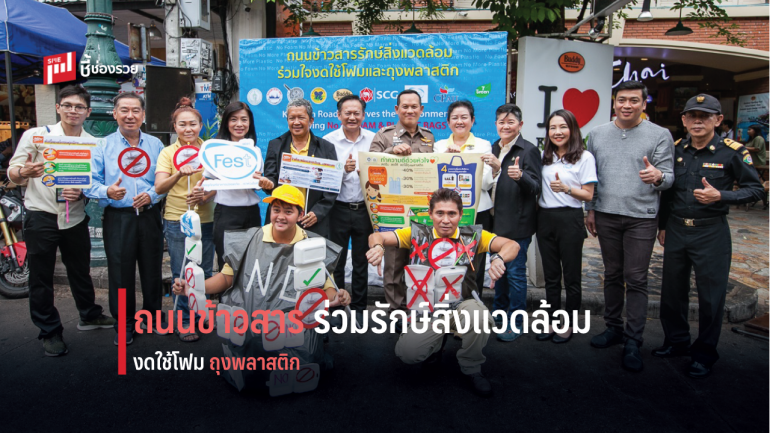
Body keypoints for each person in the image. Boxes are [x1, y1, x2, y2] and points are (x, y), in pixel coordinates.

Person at [173, 184, 351, 391]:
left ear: (300, 214)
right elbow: (226, 278)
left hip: (293, 330)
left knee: (295, 366)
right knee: (253, 369)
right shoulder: (249, 240)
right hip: (253, 328)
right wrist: (195, 288)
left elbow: (326, 287)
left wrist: (335, 298)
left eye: (288, 211)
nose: (281, 217)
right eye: (276, 210)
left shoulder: (312, 245)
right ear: (270, 211)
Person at [366, 188, 519, 397]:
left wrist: (499, 258)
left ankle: (472, 368)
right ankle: (434, 346)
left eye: (452, 214)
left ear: (460, 214)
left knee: (480, 317)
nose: (445, 220)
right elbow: (377, 235)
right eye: (440, 213)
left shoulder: (472, 235)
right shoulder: (416, 233)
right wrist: (378, 247)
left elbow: (512, 245)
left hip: (461, 305)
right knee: (408, 353)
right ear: (430, 214)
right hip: (427, 309)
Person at [654, 94, 763, 379]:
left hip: (711, 231)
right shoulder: (676, 150)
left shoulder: (732, 151)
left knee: (711, 298)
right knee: (672, 293)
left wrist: (721, 195)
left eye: (705, 116)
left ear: (717, 120)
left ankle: (703, 355)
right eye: (692, 116)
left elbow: (755, 190)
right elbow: (668, 194)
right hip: (677, 228)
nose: (698, 121)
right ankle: (676, 342)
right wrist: (662, 226)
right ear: (684, 120)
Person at [8, 85, 114, 356]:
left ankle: (89, 314)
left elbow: (97, 181)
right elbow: (13, 172)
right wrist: (24, 171)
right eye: (67, 105)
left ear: (88, 112)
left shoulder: (95, 143)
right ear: (58, 108)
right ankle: (50, 331)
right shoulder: (37, 136)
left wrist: (83, 192)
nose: (72, 111)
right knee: (41, 276)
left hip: (75, 217)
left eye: (79, 107)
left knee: (80, 270)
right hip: (41, 215)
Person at [585, 80, 674, 372]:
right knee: (612, 274)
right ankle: (613, 328)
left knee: (635, 277)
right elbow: (591, 176)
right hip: (607, 214)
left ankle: (634, 340)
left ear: (643, 104)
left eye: (634, 101)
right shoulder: (597, 134)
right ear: (614, 102)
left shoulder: (660, 135)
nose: (627, 105)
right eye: (622, 100)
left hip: (642, 216)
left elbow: (669, 177)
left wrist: (658, 177)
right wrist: (591, 209)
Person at [85, 92, 166, 346]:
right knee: (120, 273)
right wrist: (107, 191)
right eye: (124, 110)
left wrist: (151, 195)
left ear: (143, 115)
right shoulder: (103, 146)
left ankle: (152, 317)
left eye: (135, 111)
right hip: (118, 217)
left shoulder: (156, 145)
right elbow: (90, 183)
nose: (130, 116)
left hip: (150, 215)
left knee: (152, 269)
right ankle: (125, 324)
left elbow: (163, 181)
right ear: (115, 114)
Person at [369, 89, 435, 317]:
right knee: (394, 267)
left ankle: (418, 311)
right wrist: (390, 152)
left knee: (422, 264)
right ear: (396, 109)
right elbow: (371, 167)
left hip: (423, 215)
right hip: (393, 213)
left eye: (414, 106)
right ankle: (396, 312)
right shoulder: (383, 135)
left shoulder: (429, 137)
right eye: (404, 106)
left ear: (421, 110)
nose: (409, 110)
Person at [154, 97, 215, 342]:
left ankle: (203, 317)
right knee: (182, 273)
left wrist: (206, 194)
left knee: (205, 272)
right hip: (177, 219)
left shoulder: (210, 150)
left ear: (200, 125)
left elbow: (220, 185)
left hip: (207, 218)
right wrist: (180, 171)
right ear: (175, 127)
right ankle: (184, 321)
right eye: (182, 125)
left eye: (192, 124)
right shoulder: (167, 152)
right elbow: (159, 187)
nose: (187, 129)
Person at [535, 110, 596, 344]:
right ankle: (551, 320)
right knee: (551, 276)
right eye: (552, 128)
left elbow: (588, 195)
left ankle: (568, 323)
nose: (557, 132)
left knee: (571, 276)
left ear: (572, 129)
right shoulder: (544, 156)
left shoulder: (584, 157)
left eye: (562, 127)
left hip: (570, 219)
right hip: (545, 219)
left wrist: (567, 189)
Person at [482, 103, 541, 342]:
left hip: (517, 225)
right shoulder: (493, 148)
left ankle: (516, 320)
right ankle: (499, 314)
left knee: (515, 274)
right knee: (499, 273)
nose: (505, 126)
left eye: (510, 122)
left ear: (520, 125)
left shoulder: (528, 151)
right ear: (495, 124)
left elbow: (536, 187)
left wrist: (522, 177)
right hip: (495, 224)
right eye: (501, 122)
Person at [434, 100, 494, 297]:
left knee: (474, 263)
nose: (459, 122)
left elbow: (485, 184)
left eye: (464, 117)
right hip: (447, 215)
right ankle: (446, 306)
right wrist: (446, 159)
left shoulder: (483, 145)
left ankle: (474, 307)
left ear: (472, 120)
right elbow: (435, 182)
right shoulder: (439, 146)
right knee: (446, 260)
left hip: (478, 212)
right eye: (455, 118)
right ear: (448, 122)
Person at [322, 95, 375, 317]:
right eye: (347, 113)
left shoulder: (374, 139)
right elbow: (321, 176)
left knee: (362, 262)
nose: (352, 117)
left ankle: (360, 308)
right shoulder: (327, 141)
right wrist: (341, 170)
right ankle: (337, 306)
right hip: (337, 209)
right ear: (338, 115)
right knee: (336, 261)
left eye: (356, 113)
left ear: (363, 115)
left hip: (365, 209)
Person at [258, 99, 338, 238]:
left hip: (311, 218)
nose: (296, 122)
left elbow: (331, 187)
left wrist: (318, 213)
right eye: (291, 118)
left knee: (311, 258)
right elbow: (271, 177)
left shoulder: (326, 148)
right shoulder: (275, 145)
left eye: (301, 117)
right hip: (282, 218)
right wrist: (268, 184)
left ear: (311, 120)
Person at [206, 102, 261, 271]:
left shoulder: (255, 150)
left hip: (252, 213)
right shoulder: (216, 150)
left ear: (250, 123)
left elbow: (257, 185)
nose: (239, 124)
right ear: (226, 123)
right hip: (227, 213)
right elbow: (207, 180)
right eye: (234, 119)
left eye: (244, 119)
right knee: (227, 266)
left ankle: (248, 299)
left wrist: (259, 181)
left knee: (251, 265)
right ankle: (226, 298)